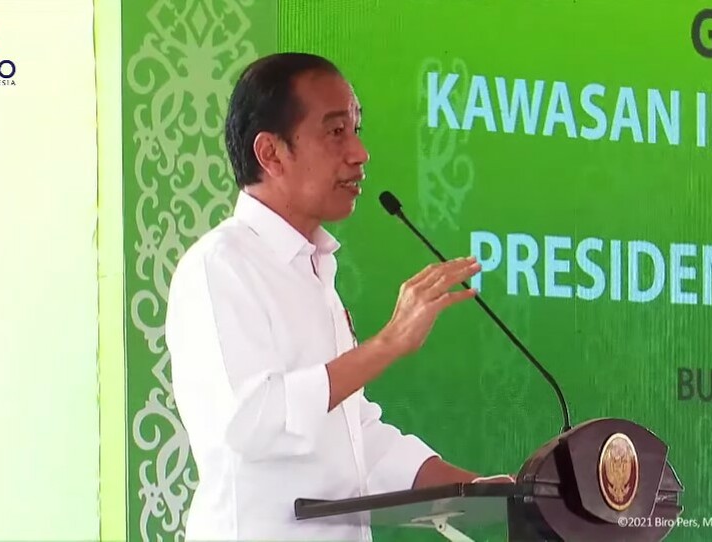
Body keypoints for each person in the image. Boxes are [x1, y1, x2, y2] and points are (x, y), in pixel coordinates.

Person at [165, 52, 511, 541]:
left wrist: (477, 492)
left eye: (355, 128)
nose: (360, 152)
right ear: (271, 153)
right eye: (335, 132)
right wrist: (387, 343)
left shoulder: (313, 271)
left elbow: (354, 438)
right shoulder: (220, 265)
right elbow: (251, 421)